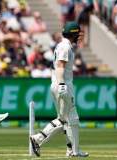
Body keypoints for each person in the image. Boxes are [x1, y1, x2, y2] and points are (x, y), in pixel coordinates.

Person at [29, 21, 88, 157]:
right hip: (62, 83)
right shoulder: (65, 47)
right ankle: (72, 151)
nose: (79, 36)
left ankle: (69, 149)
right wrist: (62, 85)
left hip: (59, 83)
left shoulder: (63, 45)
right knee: (71, 118)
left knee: (64, 120)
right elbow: (60, 65)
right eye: (77, 34)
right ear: (72, 33)